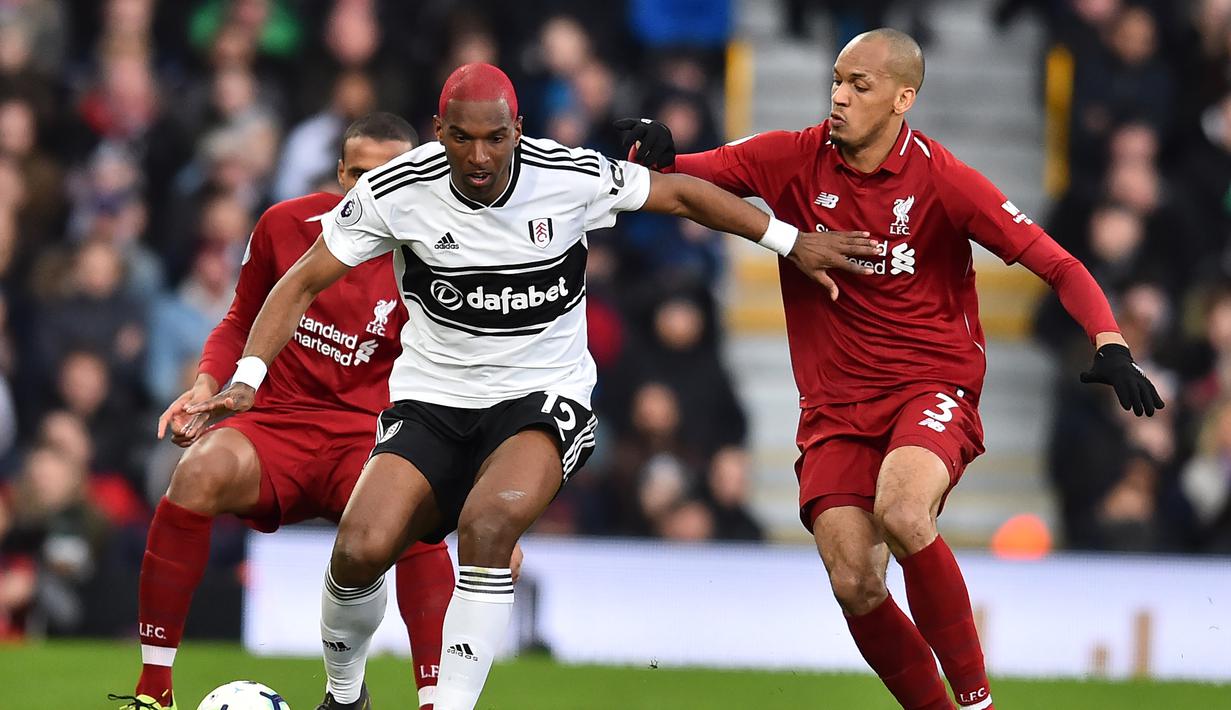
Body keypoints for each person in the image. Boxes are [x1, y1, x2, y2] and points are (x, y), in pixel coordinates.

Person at [185, 63, 879, 710]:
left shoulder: (569, 175)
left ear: (517, 129)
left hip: (542, 400)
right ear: (438, 132)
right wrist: (248, 377)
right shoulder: (395, 191)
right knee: (359, 549)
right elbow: (300, 280)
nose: (479, 155)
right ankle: (344, 697)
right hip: (432, 401)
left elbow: (681, 193)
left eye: (495, 137)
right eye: (463, 138)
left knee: (488, 528)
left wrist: (790, 241)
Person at [617, 28, 1163, 710]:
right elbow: (687, 173)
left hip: (929, 386)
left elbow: (1057, 262)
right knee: (853, 579)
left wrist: (1109, 342)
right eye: (836, 81)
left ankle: (976, 703)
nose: (839, 97)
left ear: (903, 98)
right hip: (834, 406)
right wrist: (658, 149)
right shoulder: (792, 157)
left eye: (859, 85)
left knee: (903, 511)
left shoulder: (942, 179)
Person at [111, 113, 463, 710]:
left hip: (372, 435)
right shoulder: (285, 224)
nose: (372, 188)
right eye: (360, 173)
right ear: (340, 173)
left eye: (390, 174)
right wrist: (205, 384)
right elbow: (239, 320)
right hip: (278, 424)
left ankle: (435, 700)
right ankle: (154, 690)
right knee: (196, 473)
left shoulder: (443, 251)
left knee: (418, 519)